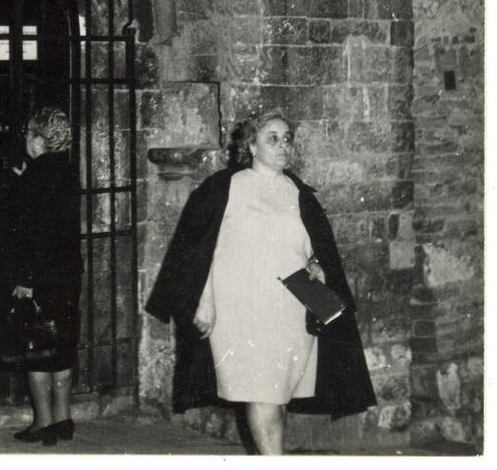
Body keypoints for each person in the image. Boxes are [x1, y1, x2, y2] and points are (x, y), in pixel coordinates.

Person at [146, 109, 375, 455]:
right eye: (272, 138)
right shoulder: (224, 188)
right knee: (262, 394)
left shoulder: (298, 192)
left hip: (291, 308)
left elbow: (314, 250)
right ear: (251, 145)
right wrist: (203, 300)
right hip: (242, 308)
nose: (283, 146)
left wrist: (318, 268)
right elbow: (200, 251)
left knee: (278, 395)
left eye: (287, 139)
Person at [0, 106, 82, 446]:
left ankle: (43, 423)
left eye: (29, 134)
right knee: (61, 342)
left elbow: (31, 231)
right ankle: (63, 419)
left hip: (39, 274)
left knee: (36, 344)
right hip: (67, 270)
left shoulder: (34, 176)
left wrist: (25, 277)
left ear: (38, 139)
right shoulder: (67, 171)